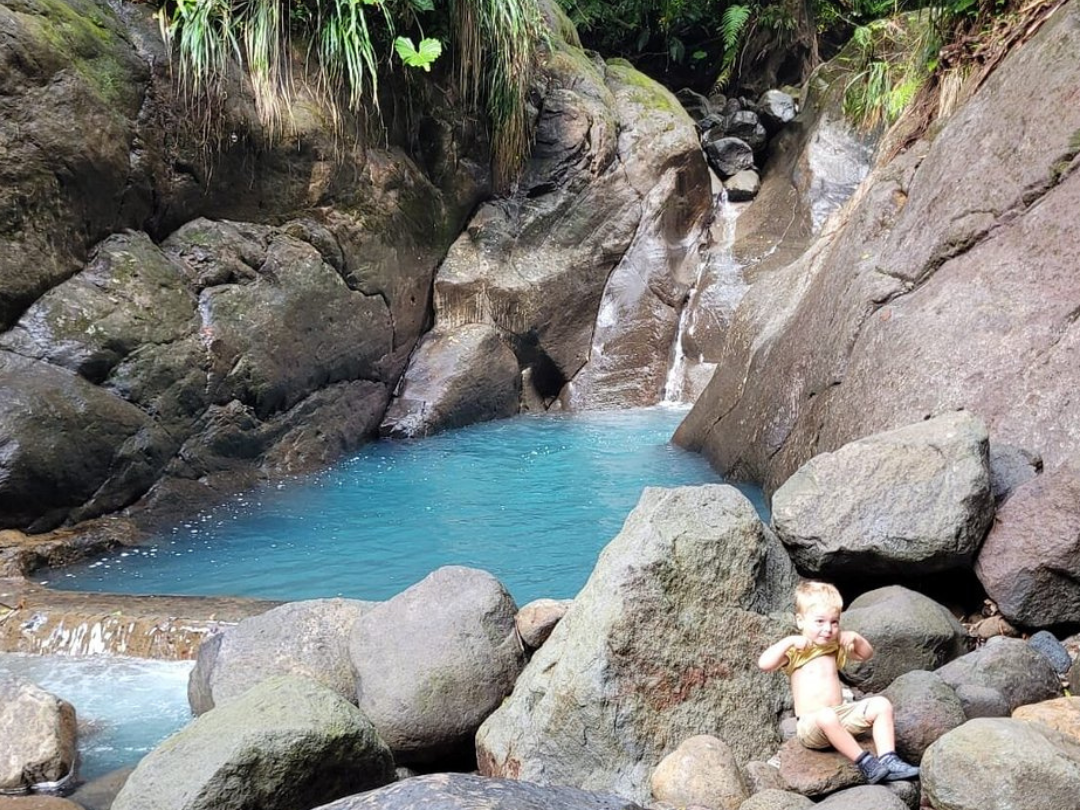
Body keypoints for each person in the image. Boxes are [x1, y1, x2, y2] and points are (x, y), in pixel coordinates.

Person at [757, 580, 920, 783]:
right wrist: (788, 641)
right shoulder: (797, 651)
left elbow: (866, 654)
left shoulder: (834, 647)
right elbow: (764, 663)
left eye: (834, 622)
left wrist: (856, 639)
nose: (828, 629)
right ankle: (865, 762)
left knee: (881, 704)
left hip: (840, 715)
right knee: (826, 716)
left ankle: (889, 759)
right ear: (800, 621)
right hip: (812, 724)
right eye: (820, 621)